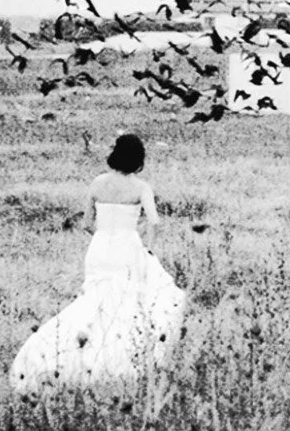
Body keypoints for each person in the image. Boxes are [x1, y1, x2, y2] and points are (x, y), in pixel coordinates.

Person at [11, 133, 186, 397]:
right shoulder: (141, 187)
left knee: (94, 303)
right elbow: (154, 221)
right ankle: (120, 359)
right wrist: (148, 248)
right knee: (127, 304)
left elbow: (86, 223)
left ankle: (69, 355)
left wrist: (104, 237)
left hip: (100, 248)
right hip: (127, 247)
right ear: (139, 159)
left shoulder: (97, 183)